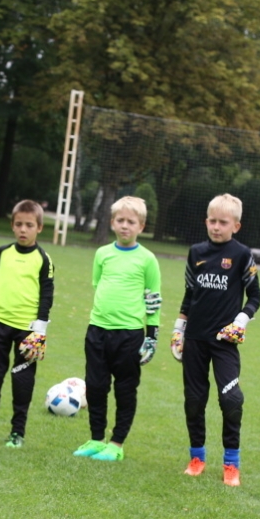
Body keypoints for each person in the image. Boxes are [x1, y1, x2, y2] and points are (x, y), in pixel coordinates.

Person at [170, 193, 260, 487]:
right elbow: (189, 295)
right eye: (212, 221)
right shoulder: (195, 252)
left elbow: (255, 295)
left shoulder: (242, 254)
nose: (216, 227)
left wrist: (241, 320)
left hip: (224, 342)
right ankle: (197, 458)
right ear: (206, 221)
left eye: (223, 222)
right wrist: (178, 329)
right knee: (195, 401)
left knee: (231, 400)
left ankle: (231, 464)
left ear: (236, 225)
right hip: (194, 338)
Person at [72, 195, 161, 462]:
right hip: (98, 330)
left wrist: (152, 337)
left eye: (131, 222)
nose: (125, 226)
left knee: (125, 389)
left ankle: (117, 444)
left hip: (130, 335)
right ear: (112, 222)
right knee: (96, 386)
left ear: (141, 226)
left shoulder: (147, 260)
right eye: (120, 220)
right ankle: (97, 439)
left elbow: (153, 301)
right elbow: (98, 285)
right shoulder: (102, 254)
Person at [0, 200, 55, 448]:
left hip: (27, 331)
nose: (23, 230)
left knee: (22, 381)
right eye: (19, 224)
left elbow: (47, 295)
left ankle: (17, 432)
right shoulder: (4, 252)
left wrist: (40, 331)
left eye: (29, 225)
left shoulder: (43, 259)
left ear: (39, 227)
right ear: (12, 225)